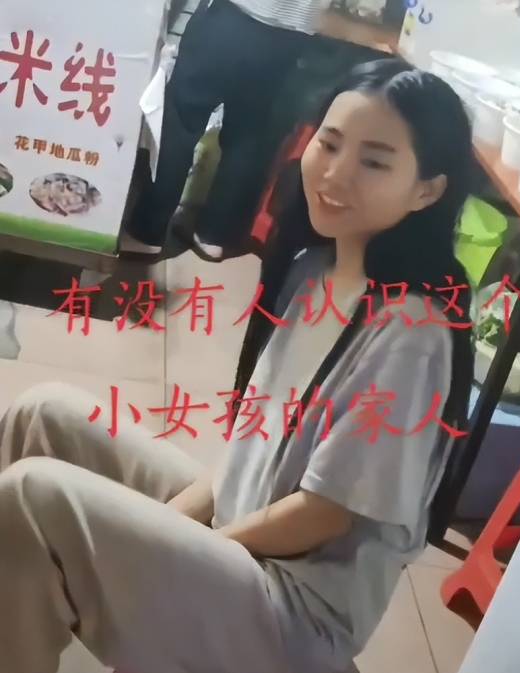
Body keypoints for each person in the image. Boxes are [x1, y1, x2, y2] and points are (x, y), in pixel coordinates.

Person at [0, 60, 475, 673]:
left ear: (427, 190)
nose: (335, 173)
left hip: (292, 613)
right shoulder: (312, 269)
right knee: (44, 414)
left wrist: (176, 549)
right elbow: (249, 445)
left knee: (36, 497)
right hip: (244, 531)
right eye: (330, 144)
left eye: (375, 162)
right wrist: (166, 534)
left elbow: (324, 513)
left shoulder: (413, 332)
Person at [124, 0, 320, 263]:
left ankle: (146, 232)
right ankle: (215, 236)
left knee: (181, 119)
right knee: (250, 134)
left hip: (232, 16)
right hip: (288, 36)